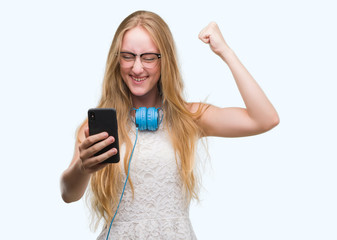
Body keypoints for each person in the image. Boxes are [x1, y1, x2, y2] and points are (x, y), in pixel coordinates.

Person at [60, 10, 279, 240]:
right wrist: (82, 168)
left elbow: (265, 119)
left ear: (165, 60)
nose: (136, 68)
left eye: (148, 57)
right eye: (128, 56)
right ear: (117, 59)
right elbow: (68, 193)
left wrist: (225, 51)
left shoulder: (188, 117)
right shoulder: (99, 126)